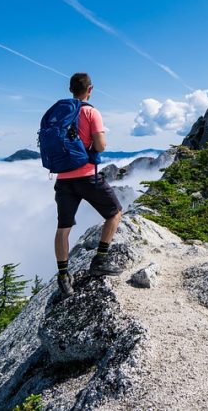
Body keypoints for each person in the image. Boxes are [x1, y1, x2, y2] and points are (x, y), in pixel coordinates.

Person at [54, 72, 123, 297]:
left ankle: (64, 277)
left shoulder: (60, 114)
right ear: (90, 89)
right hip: (86, 176)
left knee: (63, 229)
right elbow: (101, 146)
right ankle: (100, 260)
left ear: (71, 90)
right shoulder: (91, 112)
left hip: (63, 178)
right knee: (115, 213)